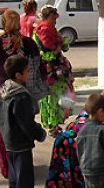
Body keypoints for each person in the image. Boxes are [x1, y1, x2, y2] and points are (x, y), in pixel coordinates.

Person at [0, 9, 41, 180]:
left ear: (3, 23)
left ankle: (7, 167)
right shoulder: (28, 43)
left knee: (4, 128)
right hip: (22, 92)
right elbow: (39, 63)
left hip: (0, 91)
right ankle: (22, 165)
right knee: (24, 124)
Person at [0, 55, 48, 188]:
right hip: (20, 142)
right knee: (24, 176)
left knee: (13, 174)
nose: (29, 73)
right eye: (27, 71)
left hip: (9, 140)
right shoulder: (20, 96)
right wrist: (39, 133)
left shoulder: (5, 90)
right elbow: (26, 122)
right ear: (18, 75)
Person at [33, 5, 75, 136]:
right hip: (49, 71)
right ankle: (52, 126)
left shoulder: (51, 30)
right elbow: (45, 53)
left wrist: (60, 43)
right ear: (46, 17)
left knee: (57, 96)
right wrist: (57, 49)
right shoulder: (43, 31)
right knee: (51, 97)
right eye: (53, 17)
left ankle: (54, 124)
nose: (55, 20)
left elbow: (64, 46)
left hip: (56, 71)